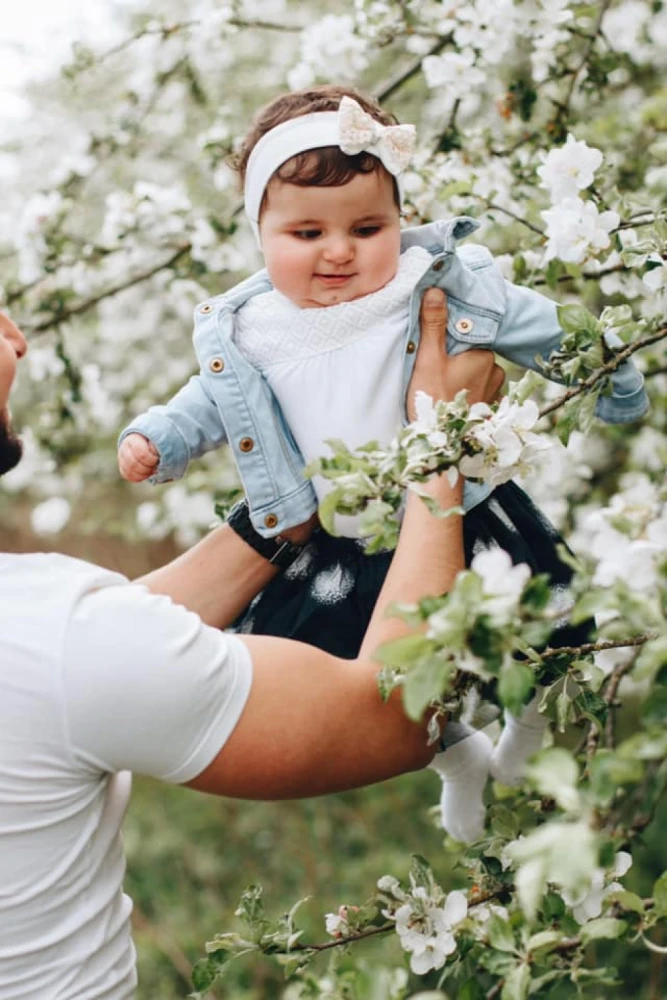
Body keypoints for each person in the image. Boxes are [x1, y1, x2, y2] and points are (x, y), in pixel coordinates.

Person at [117, 85, 648, 841]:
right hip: (346, 540)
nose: (339, 251)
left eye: (367, 227)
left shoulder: (424, 282)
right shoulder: (256, 329)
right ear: (258, 234)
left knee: (542, 637)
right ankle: (458, 757)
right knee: (362, 691)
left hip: (460, 515)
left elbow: (530, 321)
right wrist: (157, 441)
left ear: (399, 220)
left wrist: (608, 373)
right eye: (306, 232)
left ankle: (526, 740)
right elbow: (206, 404)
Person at [0, 302, 504, 999]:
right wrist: (438, 444)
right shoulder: (50, 636)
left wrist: (276, 520)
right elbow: (394, 712)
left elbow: (100, 647)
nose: (15, 336)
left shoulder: (46, 631)